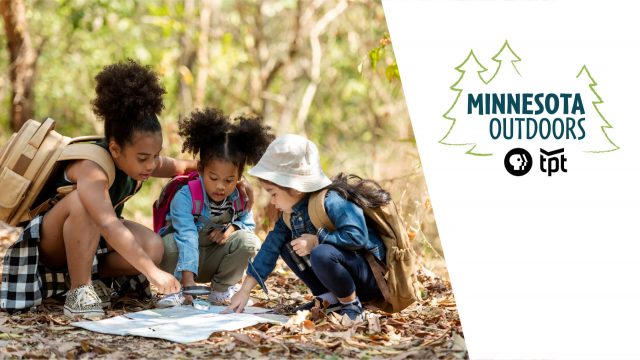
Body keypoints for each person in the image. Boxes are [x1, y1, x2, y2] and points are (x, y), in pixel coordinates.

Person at [0, 60, 248, 318]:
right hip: (51, 247)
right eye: (143, 158)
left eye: (155, 156)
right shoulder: (91, 168)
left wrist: (229, 178)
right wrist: (153, 274)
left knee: (154, 246)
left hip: (91, 245)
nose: (151, 165)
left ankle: (95, 282)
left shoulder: (137, 162)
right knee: (82, 203)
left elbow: (181, 166)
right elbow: (109, 224)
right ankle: (79, 290)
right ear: (116, 148)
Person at [224, 134, 386, 321]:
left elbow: (358, 237)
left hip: (366, 279)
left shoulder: (333, 201)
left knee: (321, 252)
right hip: (339, 278)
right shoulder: (289, 214)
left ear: (296, 187)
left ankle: (351, 305)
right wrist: (245, 291)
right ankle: (329, 298)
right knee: (286, 245)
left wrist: (318, 240)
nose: (272, 201)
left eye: (273, 193)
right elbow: (270, 248)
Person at [157, 109, 273, 307]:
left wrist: (231, 230)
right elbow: (186, 235)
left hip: (213, 258)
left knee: (249, 241)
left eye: (229, 180)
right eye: (213, 178)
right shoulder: (185, 196)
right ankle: (174, 290)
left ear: (239, 177)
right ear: (201, 169)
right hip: (181, 261)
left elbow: (248, 225)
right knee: (166, 243)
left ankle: (221, 289)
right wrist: (188, 281)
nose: (221, 186)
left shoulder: (239, 197)